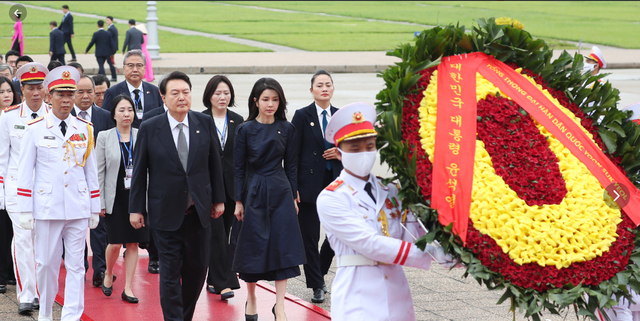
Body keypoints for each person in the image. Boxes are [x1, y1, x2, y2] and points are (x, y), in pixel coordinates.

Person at [317, 102, 457, 321]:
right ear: (338, 152)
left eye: (370, 146)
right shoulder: (331, 198)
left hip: (396, 294)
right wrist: (430, 253)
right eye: (354, 149)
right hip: (357, 297)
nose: (364, 153)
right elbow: (370, 244)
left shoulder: (392, 189)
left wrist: (457, 250)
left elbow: (416, 232)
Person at [129, 71, 225, 321]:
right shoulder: (151, 127)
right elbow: (139, 171)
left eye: (186, 92)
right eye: (175, 93)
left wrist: (219, 199)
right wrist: (136, 208)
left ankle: (184, 316)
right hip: (165, 214)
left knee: (196, 272)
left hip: (199, 214)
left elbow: (215, 163)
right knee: (170, 275)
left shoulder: (203, 123)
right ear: (163, 97)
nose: (181, 97)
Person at [17, 65, 100, 321]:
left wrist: (95, 207)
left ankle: (71, 316)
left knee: (77, 266)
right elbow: (24, 171)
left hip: (77, 207)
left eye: (69, 94)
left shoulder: (85, 128)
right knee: (46, 266)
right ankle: (45, 313)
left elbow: (90, 170)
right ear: (48, 96)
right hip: (47, 208)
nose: (66, 100)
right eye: (60, 95)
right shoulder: (34, 128)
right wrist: (24, 208)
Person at [233, 77, 305, 321]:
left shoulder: (287, 129)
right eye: (265, 99)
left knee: (282, 246)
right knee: (253, 246)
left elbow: (292, 166)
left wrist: (294, 196)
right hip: (253, 190)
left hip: (281, 191)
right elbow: (238, 169)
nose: (270, 104)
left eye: (275, 99)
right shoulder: (244, 129)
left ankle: (280, 306)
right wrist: (238, 201)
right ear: (256, 101)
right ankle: (251, 297)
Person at [0, 63, 49, 315]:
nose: (36, 93)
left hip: (45, 191)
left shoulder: (52, 115)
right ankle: (27, 294)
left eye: (40, 87)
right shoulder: (8, 117)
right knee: (22, 241)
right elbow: (2, 157)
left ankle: (42, 290)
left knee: (43, 243)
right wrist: (1, 193)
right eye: (31, 88)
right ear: (22, 88)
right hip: (17, 190)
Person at [291, 70, 341, 303]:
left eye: (328, 85)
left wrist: (341, 153)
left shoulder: (342, 116)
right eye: (319, 85)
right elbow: (292, 154)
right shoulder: (302, 116)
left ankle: (318, 271)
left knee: (334, 236)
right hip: (308, 185)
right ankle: (317, 285)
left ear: (333, 89)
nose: (324, 88)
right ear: (311, 90)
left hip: (336, 185)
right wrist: (294, 188)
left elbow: (356, 148)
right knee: (309, 236)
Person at [96, 94, 148, 304]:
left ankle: (128, 287)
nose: (127, 114)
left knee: (133, 243)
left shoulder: (142, 134)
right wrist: (99, 201)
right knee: (115, 243)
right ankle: (108, 273)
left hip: (136, 196)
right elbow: (99, 171)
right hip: (114, 196)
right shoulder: (104, 137)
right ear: (114, 114)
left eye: (130, 110)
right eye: (122, 110)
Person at [71, 75, 114, 287]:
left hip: (99, 181)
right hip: (73, 182)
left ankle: (100, 269)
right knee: (76, 229)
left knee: (100, 227)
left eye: (91, 91)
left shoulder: (105, 116)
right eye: (81, 91)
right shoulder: (64, 116)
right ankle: (79, 267)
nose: (86, 96)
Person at [202, 75, 242, 300]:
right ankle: (224, 282)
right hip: (209, 188)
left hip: (231, 188)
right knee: (216, 235)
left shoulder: (238, 120)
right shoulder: (199, 119)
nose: (222, 97)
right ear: (209, 96)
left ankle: (212, 279)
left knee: (225, 234)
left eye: (226, 93)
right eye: (217, 93)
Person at [102, 50, 163, 127]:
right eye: (130, 65)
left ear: (144, 68)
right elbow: (106, 120)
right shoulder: (112, 92)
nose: (135, 70)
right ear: (124, 68)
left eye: (139, 65)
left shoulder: (155, 91)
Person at [0, 75, 19, 300]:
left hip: (15, 180)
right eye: (2, 91)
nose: (6, 95)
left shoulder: (18, 116)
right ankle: (2, 274)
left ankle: (14, 272)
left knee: (17, 230)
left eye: (8, 91)